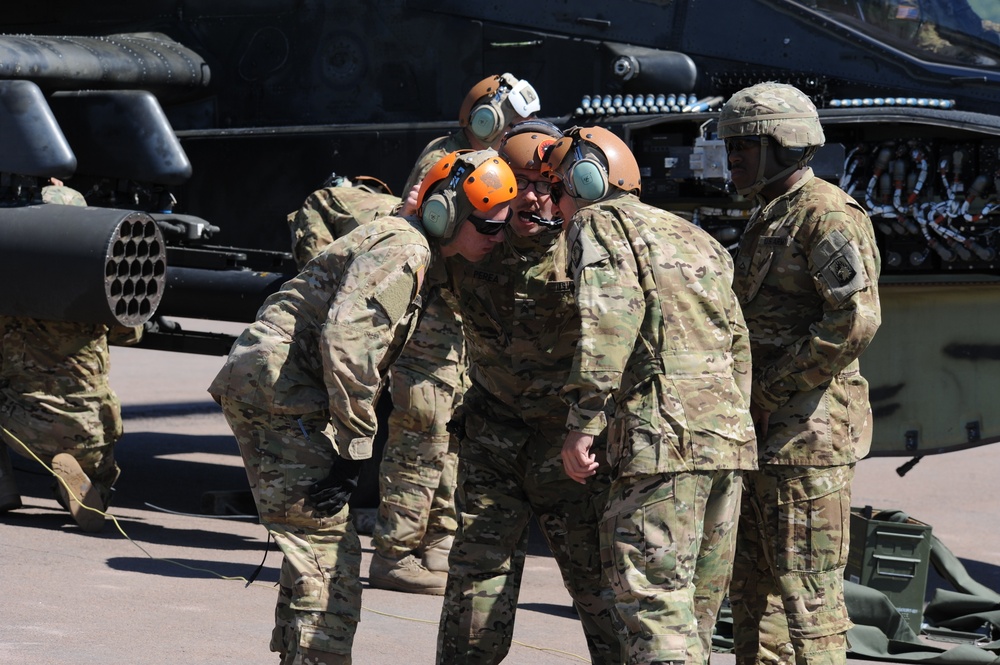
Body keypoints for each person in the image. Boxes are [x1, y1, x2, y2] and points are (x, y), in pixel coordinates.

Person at [208, 149, 516, 665]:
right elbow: (349, 341)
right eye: (488, 227)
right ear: (447, 214)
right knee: (331, 559)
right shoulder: (406, 252)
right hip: (285, 396)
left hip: (281, 389)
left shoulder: (409, 241)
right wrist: (354, 448)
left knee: (316, 547)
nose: (498, 238)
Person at [543, 126, 757, 664]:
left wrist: (584, 421)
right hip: (725, 439)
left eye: (557, 191)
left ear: (585, 181)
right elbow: (738, 342)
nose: (555, 207)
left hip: (660, 439)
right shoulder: (694, 236)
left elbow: (610, 320)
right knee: (695, 613)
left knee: (654, 603)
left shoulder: (598, 223)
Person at [437, 120, 623, 664]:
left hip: (568, 451)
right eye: (521, 182)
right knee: (476, 576)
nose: (535, 196)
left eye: (549, 185)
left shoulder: (587, 251)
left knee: (596, 584)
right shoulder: (472, 243)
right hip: (493, 438)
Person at [717, 82, 882, 665]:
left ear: (786, 145)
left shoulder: (825, 215)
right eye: (730, 145)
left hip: (807, 439)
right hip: (765, 435)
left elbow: (855, 320)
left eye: (745, 145)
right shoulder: (772, 214)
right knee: (752, 596)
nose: (732, 157)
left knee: (809, 601)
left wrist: (772, 386)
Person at [368, 72, 542, 595]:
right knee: (421, 429)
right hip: (433, 315)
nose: (509, 132)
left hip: (461, 317)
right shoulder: (444, 162)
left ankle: (436, 541)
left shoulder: (490, 165)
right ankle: (396, 553)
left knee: (451, 434)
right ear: (483, 116)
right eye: (503, 121)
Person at [0, 181, 142, 532]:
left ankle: (2, 489)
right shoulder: (96, 290)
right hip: (93, 424)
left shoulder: (8, 292)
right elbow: (131, 333)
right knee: (99, 474)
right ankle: (87, 488)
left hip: (24, 419)